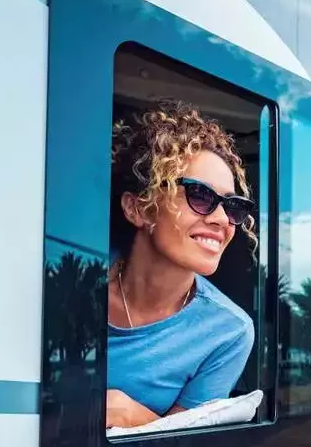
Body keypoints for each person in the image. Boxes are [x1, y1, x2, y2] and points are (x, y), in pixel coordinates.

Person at [105, 100, 257, 429]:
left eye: (232, 206)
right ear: (139, 209)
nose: (221, 220)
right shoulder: (70, 272)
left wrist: (127, 414)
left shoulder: (228, 332)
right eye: (200, 196)